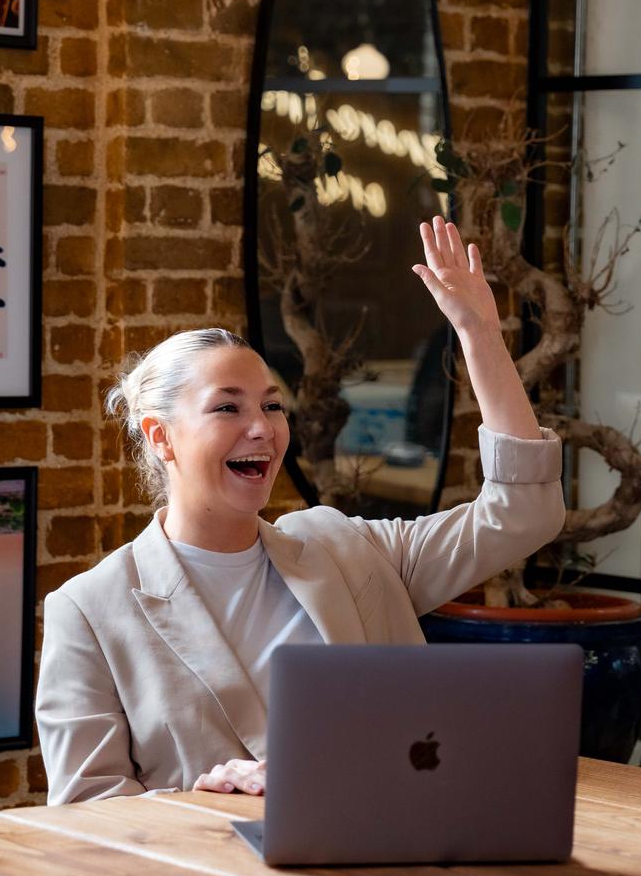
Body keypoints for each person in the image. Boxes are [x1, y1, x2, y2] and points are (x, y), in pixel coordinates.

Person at [35, 218, 563, 804]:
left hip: (397, 849)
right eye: (227, 408)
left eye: (271, 405)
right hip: (219, 865)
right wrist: (197, 801)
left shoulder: (346, 549)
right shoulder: (89, 610)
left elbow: (523, 512)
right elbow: (85, 813)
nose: (262, 428)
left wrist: (479, 332)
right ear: (161, 436)